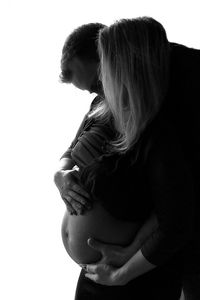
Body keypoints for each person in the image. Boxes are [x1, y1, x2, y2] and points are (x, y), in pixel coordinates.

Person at [53, 20, 198, 299]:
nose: (100, 92)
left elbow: (178, 208)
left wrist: (128, 261)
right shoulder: (110, 103)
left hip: (153, 258)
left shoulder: (170, 112)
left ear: (117, 63)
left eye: (99, 81)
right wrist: (60, 174)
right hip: (108, 267)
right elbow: (76, 145)